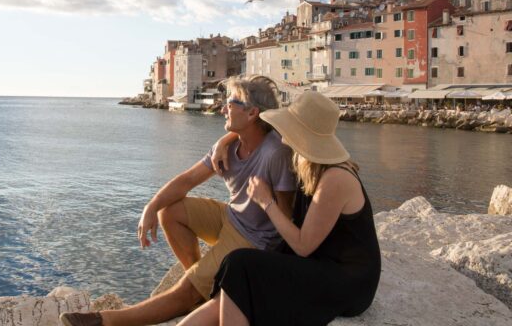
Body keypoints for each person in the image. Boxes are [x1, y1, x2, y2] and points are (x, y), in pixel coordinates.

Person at [60, 75, 297, 326]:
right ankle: (200, 287)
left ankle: (104, 321)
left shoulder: (275, 154)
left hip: (254, 239)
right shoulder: (229, 145)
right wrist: (151, 207)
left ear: (252, 114)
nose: (223, 107)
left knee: (184, 290)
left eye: (231, 102)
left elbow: (285, 214)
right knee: (169, 211)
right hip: (232, 217)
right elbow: (187, 180)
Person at [178, 91, 381, 326]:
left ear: (301, 134)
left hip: (348, 281)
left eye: (289, 128)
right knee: (237, 277)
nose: (282, 135)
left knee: (240, 264)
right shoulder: (308, 161)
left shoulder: (335, 178)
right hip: (322, 262)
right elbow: (254, 130)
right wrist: (224, 141)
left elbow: (303, 246)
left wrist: (266, 202)